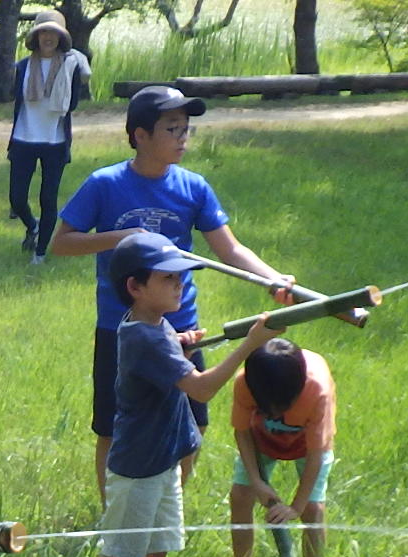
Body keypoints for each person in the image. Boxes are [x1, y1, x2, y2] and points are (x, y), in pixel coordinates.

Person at [49, 86, 293, 499]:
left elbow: (229, 248)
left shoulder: (193, 187)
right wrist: (119, 237)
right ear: (140, 135)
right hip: (121, 329)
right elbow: (61, 242)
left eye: (186, 129)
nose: (183, 138)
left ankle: (164, 506)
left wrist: (272, 279)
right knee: (113, 425)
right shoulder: (104, 184)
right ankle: (116, 515)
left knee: (192, 424)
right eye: (171, 129)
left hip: (181, 326)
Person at [76, 233, 277, 557]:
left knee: (155, 553)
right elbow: (202, 388)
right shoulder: (144, 337)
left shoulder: (155, 324)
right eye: (168, 279)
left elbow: (163, 351)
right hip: (138, 471)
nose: (179, 286)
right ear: (135, 286)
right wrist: (251, 343)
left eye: (180, 278)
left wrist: (184, 342)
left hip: (163, 463)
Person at [226, 338, 335, 557]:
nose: (275, 414)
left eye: (283, 407)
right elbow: (242, 432)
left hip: (308, 446)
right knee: (240, 496)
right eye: (267, 408)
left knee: (313, 509)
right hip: (260, 439)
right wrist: (256, 481)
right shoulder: (245, 382)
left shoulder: (317, 391)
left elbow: (316, 453)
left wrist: (296, 506)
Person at [8, 11, 91, 265]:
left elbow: (73, 104)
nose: (48, 37)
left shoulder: (71, 65)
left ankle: (40, 252)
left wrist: (71, 70)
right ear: (36, 36)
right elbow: (16, 98)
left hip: (54, 142)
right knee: (17, 198)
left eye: (54, 33)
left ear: (61, 37)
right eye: (43, 32)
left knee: (48, 198)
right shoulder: (22, 66)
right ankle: (32, 227)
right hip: (23, 139)